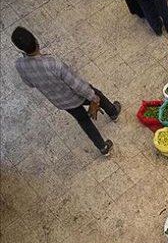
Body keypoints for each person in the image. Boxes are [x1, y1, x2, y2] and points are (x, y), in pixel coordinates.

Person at [11, 27, 120, 156]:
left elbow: (29, 84)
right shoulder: (54, 65)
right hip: (77, 95)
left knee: (83, 120)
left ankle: (103, 148)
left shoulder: (20, 65)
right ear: (36, 41)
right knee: (98, 95)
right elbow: (77, 85)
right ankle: (113, 112)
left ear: (20, 48)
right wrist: (93, 97)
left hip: (61, 102)